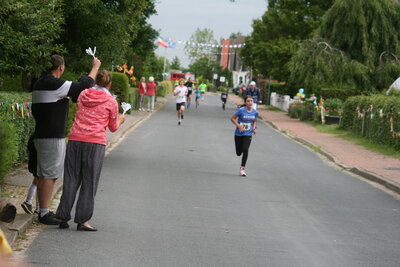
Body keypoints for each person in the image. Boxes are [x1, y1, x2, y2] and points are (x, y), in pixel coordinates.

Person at [31, 54, 101, 225]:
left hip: (41, 134)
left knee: (43, 174)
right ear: (60, 68)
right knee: (49, 175)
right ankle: (44, 213)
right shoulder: (54, 84)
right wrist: (95, 67)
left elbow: (77, 88)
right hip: (52, 136)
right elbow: (83, 86)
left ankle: (42, 209)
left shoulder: (41, 83)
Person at [56, 70, 125, 231]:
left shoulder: (83, 94)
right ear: (110, 84)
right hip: (95, 143)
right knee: (89, 181)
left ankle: (62, 216)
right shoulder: (111, 101)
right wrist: (121, 119)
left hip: (75, 139)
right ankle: (83, 220)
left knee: (71, 178)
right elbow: (113, 128)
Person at [230, 96, 258, 177]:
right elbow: (232, 118)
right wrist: (238, 126)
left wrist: (254, 128)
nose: (250, 102)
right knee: (239, 153)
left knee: (246, 149)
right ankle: (240, 150)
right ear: (245, 102)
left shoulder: (255, 112)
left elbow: (254, 120)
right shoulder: (241, 110)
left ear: (253, 102)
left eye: (251, 101)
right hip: (238, 134)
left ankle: (242, 169)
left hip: (248, 134)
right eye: (248, 101)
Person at [21, 136, 40, 215]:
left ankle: (29, 202)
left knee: (36, 182)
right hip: (39, 163)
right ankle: (38, 208)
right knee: (40, 184)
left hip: (33, 163)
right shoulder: (43, 136)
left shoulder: (33, 136)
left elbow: (29, 147)